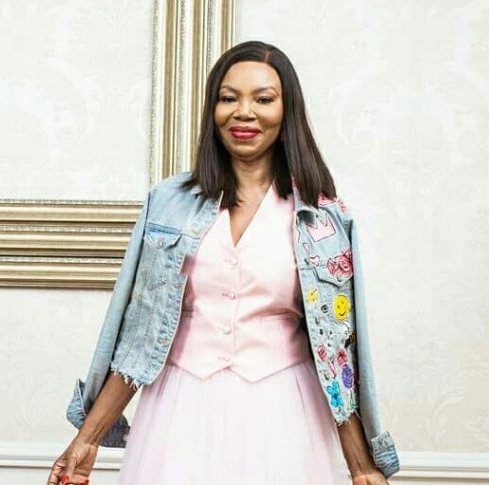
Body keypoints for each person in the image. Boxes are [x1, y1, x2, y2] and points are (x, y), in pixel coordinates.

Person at [47, 40, 401, 485]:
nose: (244, 112)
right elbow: (139, 338)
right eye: (228, 98)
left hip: (283, 417)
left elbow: (335, 353)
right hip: (177, 413)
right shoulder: (167, 202)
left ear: (287, 114)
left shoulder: (324, 219)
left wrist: (362, 466)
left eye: (263, 99)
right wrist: (87, 440)